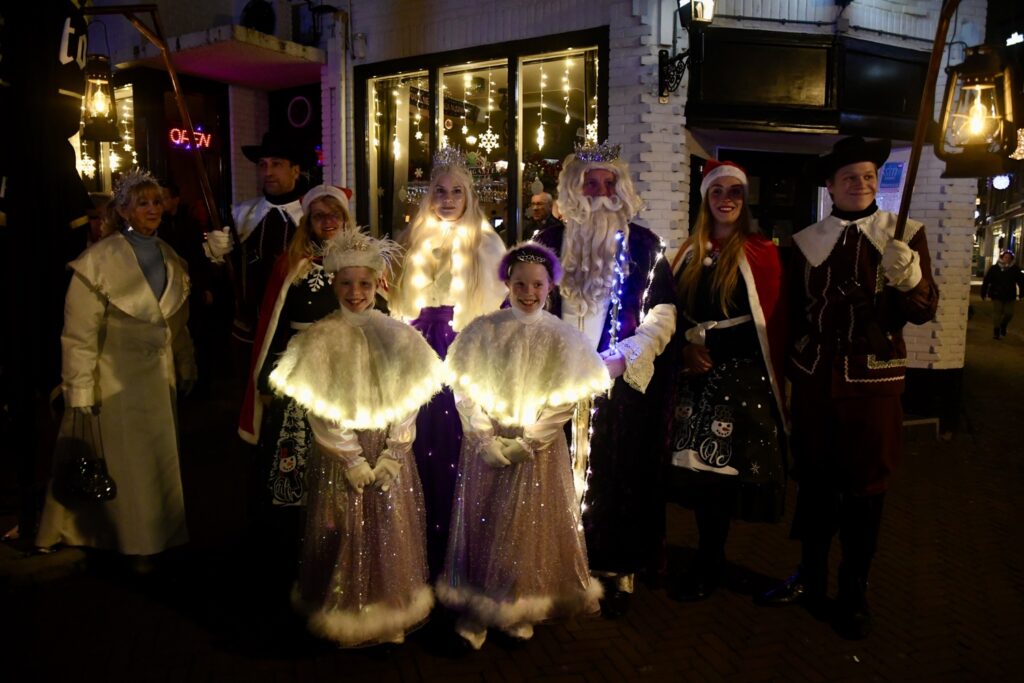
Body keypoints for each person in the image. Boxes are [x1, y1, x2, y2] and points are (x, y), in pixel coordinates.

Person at [756, 136, 940, 640]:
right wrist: (787, 379)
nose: (860, 184)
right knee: (814, 487)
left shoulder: (904, 235)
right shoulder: (805, 241)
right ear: (831, 185)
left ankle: (854, 590)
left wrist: (911, 282)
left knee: (865, 492)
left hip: (873, 386)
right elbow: (791, 315)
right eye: (849, 177)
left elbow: (923, 312)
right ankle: (809, 577)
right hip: (815, 384)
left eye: (867, 176)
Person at [268, 230, 443, 648]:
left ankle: (390, 608)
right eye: (346, 283)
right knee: (343, 528)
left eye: (364, 284)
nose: (356, 293)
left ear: (377, 284)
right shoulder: (319, 340)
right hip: (342, 456)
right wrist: (351, 459)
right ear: (334, 284)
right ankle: (345, 610)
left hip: (386, 452)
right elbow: (322, 409)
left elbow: (408, 398)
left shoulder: (398, 336)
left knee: (389, 530)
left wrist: (394, 453)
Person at [437, 242, 609, 649]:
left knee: (524, 527)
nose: (528, 293)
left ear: (550, 286)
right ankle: (476, 609)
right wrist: (483, 437)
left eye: (537, 285)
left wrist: (529, 441)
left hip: (536, 449)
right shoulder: (483, 330)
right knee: (485, 519)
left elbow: (564, 401)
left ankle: (517, 603)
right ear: (507, 284)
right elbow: (464, 388)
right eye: (520, 284)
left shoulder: (563, 337)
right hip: (489, 443)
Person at [533, 141, 677, 617]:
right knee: (552, 477)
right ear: (574, 189)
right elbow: (520, 304)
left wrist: (624, 355)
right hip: (554, 382)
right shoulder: (546, 242)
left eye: (608, 183)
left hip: (616, 385)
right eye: (590, 183)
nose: (600, 191)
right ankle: (554, 563)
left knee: (616, 477)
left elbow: (663, 313)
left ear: (621, 188)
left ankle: (613, 567)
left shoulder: (645, 244)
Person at [36, 169, 197, 571]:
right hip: (115, 383)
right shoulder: (99, 261)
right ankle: (130, 541)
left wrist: (185, 361)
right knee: (128, 466)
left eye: (157, 202)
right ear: (123, 210)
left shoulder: (171, 256)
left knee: (158, 463)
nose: (152, 210)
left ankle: (160, 536)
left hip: (160, 384)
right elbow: (79, 332)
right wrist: (80, 388)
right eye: (142, 203)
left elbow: (176, 323)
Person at [667, 160, 787, 602]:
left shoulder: (760, 252)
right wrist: (685, 346)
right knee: (697, 477)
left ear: (745, 199)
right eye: (718, 193)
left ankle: (712, 561)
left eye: (735, 192)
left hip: (737, 378)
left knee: (721, 478)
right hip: (692, 375)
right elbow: (668, 311)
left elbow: (766, 320)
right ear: (706, 200)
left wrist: (711, 347)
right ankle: (704, 555)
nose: (726, 200)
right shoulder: (685, 253)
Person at [388, 146, 507, 577]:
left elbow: (496, 311)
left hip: (463, 354)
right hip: (419, 354)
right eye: (440, 190)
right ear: (428, 194)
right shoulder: (411, 240)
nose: (448, 198)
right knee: (416, 444)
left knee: (462, 446)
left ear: (469, 196)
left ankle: (462, 555)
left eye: (457, 191)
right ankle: (420, 552)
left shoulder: (487, 242)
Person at [237, 185, 354, 583]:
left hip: (346, 372)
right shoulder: (293, 264)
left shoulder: (359, 263)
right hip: (301, 368)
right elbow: (271, 325)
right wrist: (269, 380)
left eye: (334, 214)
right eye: (319, 215)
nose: (327, 222)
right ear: (308, 221)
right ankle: (290, 541)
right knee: (296, 451)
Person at [204, 130, 312, 342]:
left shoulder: (311, 216)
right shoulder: (242, 214)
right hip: (251, 328)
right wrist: (215, 256)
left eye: (276, 164)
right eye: (262, 164)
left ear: (295, 170)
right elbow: (224, 275)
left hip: (298, 330)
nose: (267, 172)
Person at [980, 249, 1024, 339]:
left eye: (1008, 258)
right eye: (1005, 257)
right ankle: (996, 332)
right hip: (997, 294)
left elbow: (1021, 282)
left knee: (1009, 313)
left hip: (1010, 295)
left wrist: (1022, 293)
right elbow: (987, 281)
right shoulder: (994, 268)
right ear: (1002, 258)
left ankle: (1003, 325)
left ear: (1011, 259)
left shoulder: (1015, 269)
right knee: (997, 314)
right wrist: (983, 292)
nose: (1006, 259)